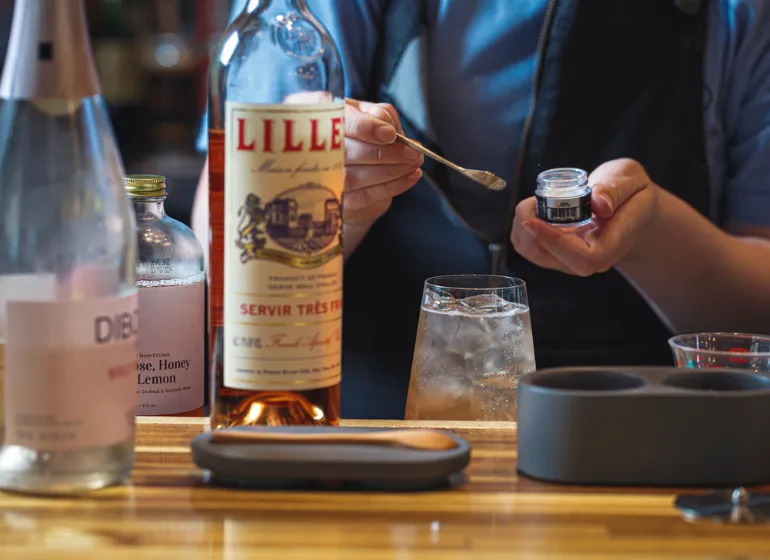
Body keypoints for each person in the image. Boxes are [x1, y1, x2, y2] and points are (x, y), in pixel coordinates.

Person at [192, 0, 770, 419]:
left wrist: (652, 233)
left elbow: (757, 317)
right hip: (366, 427)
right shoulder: (300, 21)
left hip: (637, 433)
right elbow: (219, 260)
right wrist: (329, 194)